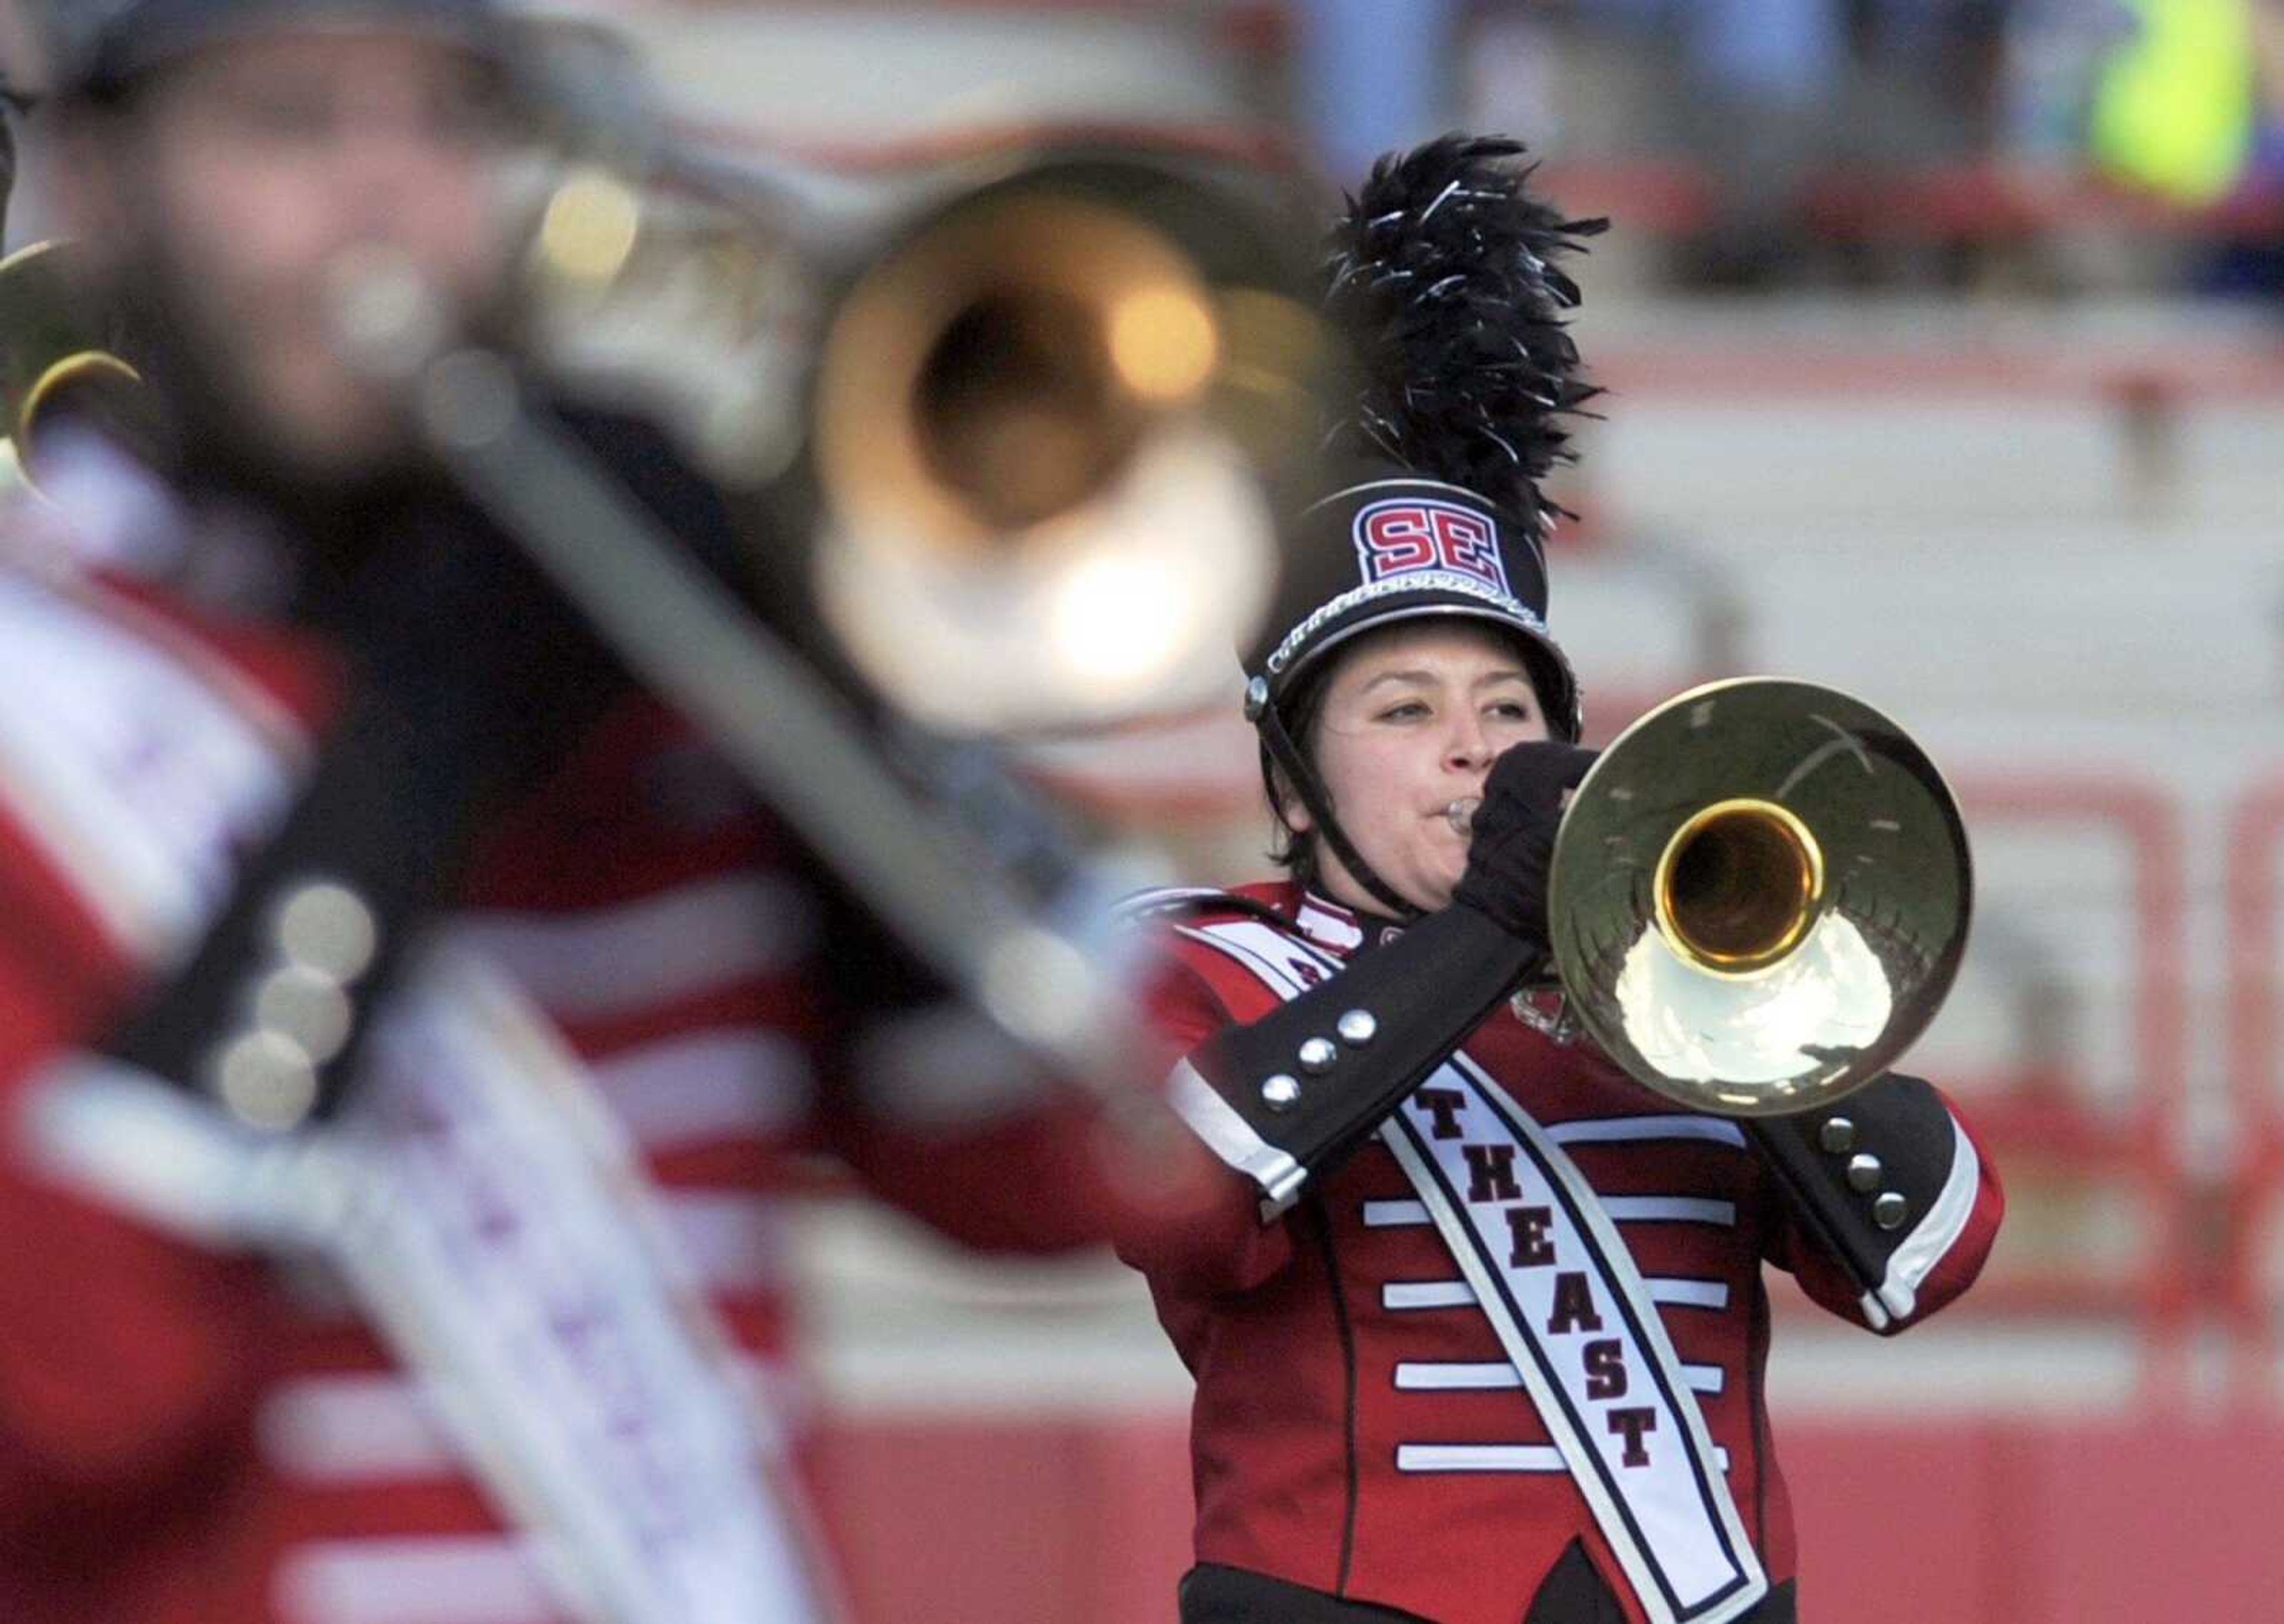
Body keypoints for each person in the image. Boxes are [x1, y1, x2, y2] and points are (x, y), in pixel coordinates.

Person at [0, 5, 1204, 1623]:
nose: (386, 199)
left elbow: (1106, 1177)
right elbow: (71, 1418)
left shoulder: (631, 676)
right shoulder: (45, 713)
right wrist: (403, 770)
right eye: (286, 125)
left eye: (452, 124)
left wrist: (831, 681)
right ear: (101, 176)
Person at [1115, 136, 2005, 1624]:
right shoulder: (1202, 968)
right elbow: (1187, 1205)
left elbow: (1931, 1247)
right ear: (1290, 779)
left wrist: (1712, 976)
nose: (1472, 752)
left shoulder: (1672, 982)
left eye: (1508, 712)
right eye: (1404, 712)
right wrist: (1482, 930)